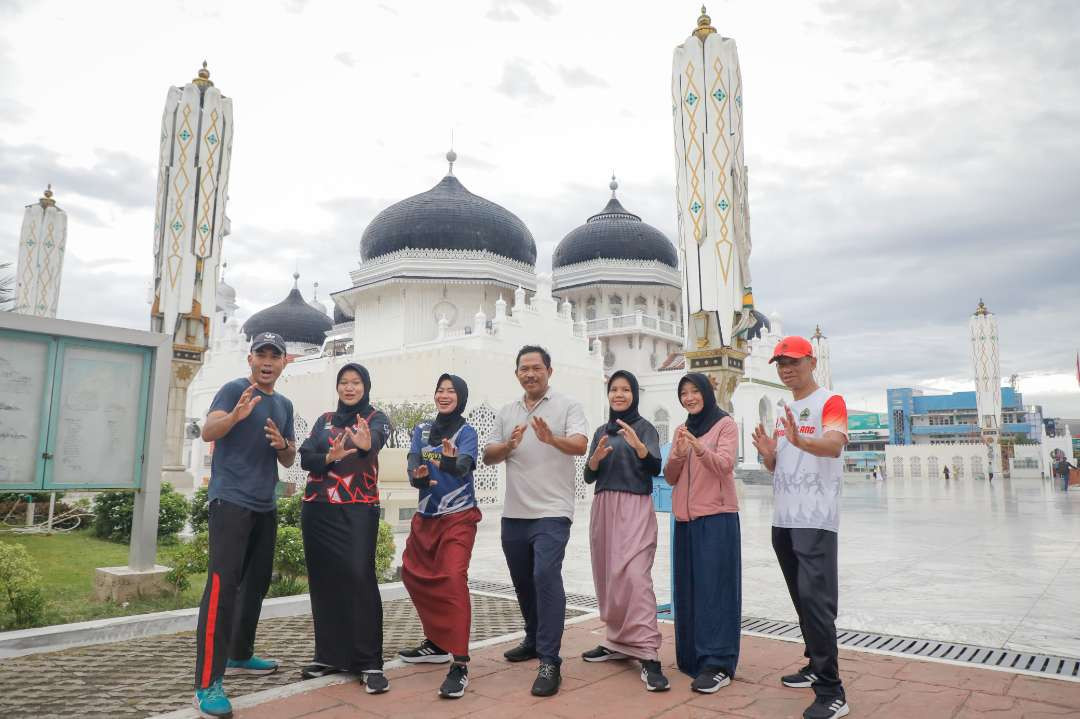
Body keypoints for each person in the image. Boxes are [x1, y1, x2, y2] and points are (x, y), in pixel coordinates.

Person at [193, 332, 296, 719]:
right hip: (230, 501)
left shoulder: (284, 403)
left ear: (285, 362)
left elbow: (288, 457)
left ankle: (240, 653)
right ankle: (207, 683)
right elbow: (208, 430)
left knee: (256, 583)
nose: (268, 362)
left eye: (275, 355)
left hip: (264, 504)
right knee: (222, 587)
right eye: (262, 354)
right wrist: (235, 417)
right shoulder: (234, 389)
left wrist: (281, 444)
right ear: (250, 358)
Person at [752, 336, 850, 719]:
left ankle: (832, 690)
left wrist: (799, 441)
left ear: (811, 361)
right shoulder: (785, 409)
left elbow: (833, 446)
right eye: (779, 363)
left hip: (816, 519)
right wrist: (769, 454)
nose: (785, 369)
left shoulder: (830, 401)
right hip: (784, 518)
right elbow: (778, 466)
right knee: (800, 597)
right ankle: (814, 664)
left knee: (817, 601)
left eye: (792, 362)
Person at [482, 345, 588, 697]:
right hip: (514, 513)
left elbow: (579, 444)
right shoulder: (507, 411)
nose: (530, 373)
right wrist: (509, 446)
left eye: (537, 368)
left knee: (545, 575)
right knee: (523, 582)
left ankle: (549, 660)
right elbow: (488, 455)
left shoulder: (568, 405)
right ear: (517, 374)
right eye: (524, 369)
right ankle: (532, 637)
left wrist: (550, 439)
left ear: (549, 371)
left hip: (553, 511)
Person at [297, 363, 392, 694]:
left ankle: (369, 662)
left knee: (359, 578)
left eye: (355, 382)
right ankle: (330, 656)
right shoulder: (323, 420)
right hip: (317, 508)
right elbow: (306, 456)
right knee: (324, 580)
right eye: (344, 382)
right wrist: (328, 457)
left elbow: (375, 441)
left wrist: (364, 443)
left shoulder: (376, 417)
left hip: (358, 508)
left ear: (366, 386)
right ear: (337, 387)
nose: (349, 388)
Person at [582, 370, 668, 692]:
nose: (619, 395)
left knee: (635, 577)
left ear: (634, 393)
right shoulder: (601, 431)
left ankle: (648, 653)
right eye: (614, 389)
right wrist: (594, 461)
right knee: (609, 577)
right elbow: (590, 477)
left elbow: (655, 467)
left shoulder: (644, 428)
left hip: (634, 506)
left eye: (625, 389)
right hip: (604, 506)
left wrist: (641, 449)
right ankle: (617, 641)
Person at [398, 374, 482, 699]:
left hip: (458, 517)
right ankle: (435, 642)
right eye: (440, 390)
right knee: (412, 574)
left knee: (451, 578)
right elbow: (414, 464)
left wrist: (449, 461)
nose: (444, 395)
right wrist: (417, 478)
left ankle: (459, 663)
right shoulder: (420, 430)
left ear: (461, 397)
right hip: (426, 517)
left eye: (451, 391)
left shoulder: (467, 432)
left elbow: (464, 466)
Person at [664, 372, 741, 694]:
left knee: (716, 592)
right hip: (685, 520)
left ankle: (717, 662)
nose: (690, 397)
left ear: (707, 393)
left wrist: (698, 448)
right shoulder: (682, 429)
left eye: (695, 391)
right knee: (689, 590)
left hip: (717, 518)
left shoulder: (725, 424)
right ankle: (693, 656)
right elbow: (670, 477)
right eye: (684, 393)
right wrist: (680, 452)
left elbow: (725, 466)